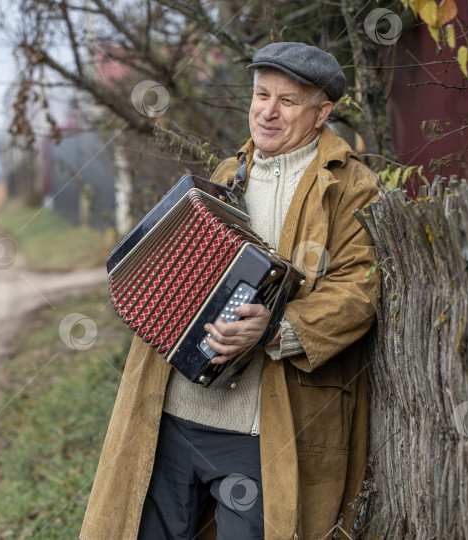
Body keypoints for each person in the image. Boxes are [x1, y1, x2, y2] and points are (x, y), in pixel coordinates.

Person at [81, 42, 381, 539]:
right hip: (174, 413)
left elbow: (360, 290)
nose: (267, 111)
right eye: (261, 95)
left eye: (287, 101)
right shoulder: (226, 173)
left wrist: (275, 329)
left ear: (322, 112)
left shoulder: (352, 185)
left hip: (260, 428)